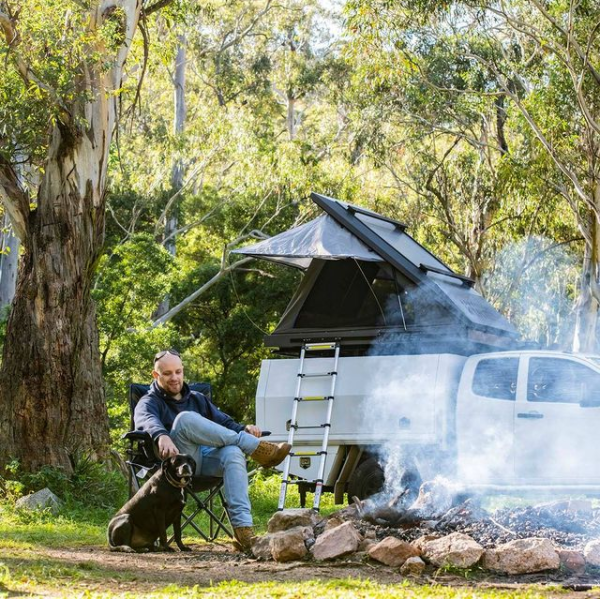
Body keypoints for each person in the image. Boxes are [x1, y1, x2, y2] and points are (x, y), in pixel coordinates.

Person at [133, 349, 291, 552]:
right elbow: (146, 421)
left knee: (233, 452)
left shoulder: (198, 398)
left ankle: (243, 532)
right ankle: (255, 448)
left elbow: (224, 422)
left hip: (203, 462)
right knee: (185, 419)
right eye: (167, 373)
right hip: (175, 469)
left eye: (178, 372)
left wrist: (244, 429)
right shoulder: (149, 401)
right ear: (156, 375)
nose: (175, 378)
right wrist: (161, 435)